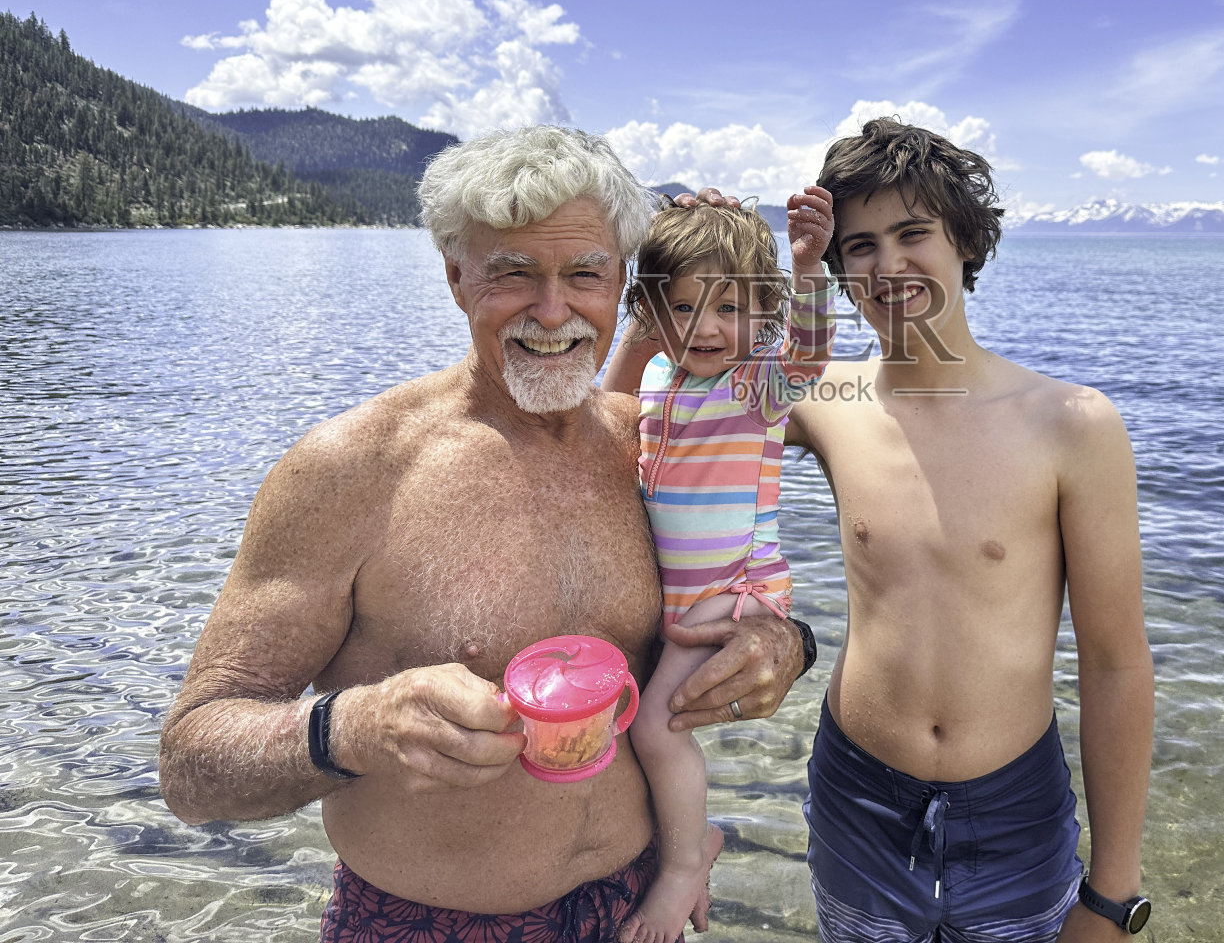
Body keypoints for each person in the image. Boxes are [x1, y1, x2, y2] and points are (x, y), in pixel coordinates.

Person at [157, 126, 811, 943]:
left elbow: (730, 560)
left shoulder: (642, 443)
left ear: (621, 287)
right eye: (513, 272)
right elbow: (191, 765)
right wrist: (354, 726)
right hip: (423, 923)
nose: (553, 309)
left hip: (638, 908)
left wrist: (785, 645)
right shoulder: (354, 469)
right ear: (456, 276)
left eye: (584, 273)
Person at [695, 118, 1154, 941]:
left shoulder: (1071, 424)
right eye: (860, 246)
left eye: (914, 233)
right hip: (858, 798)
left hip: (1013, 808)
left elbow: (1116, 662)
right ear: (838, 268)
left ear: (966, 243)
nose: (888, 265)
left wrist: (1114, 894)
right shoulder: (823, 399)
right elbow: (677, 389)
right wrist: (701, 241)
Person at [600, 189, 835, 943]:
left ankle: (684, 863)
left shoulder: (756, 385)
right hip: (689, 594)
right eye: (682, 307)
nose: (705, 327)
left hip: (733, 590)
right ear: (651, 314)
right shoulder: (662, 381)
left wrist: (806, 265)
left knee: (659, 731)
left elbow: (809, 352)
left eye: (729, 308)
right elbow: (607, 418)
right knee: (643, 721)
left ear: (762, 314)